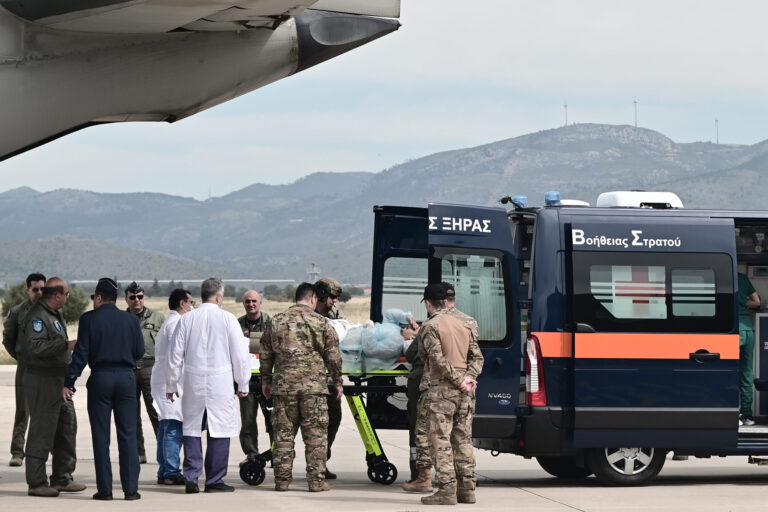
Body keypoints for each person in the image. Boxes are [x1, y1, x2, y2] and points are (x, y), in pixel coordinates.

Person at [166, 278, 250, 494]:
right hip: (220, 382)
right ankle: (214, 480)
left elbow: (174, 356)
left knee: (192, 428)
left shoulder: (187, 320)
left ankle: (192, 477)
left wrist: (171, 384)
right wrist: (243, 382)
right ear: (219, 297)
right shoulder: (228, 319)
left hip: (193, 381)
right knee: (220, 429)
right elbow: (240, 355)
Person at [64, 278, 145, 501]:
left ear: (98, 297)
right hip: (126, 379)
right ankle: (131, 490)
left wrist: (69, 381)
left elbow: (81, 354)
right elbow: (139, 351)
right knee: (128, 435)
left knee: (101, 436)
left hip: (101, 378)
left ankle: (105, 490)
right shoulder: (130, 320)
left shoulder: (89, 319)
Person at [261, 282, 343, 492]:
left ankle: (282, 481)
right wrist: (337, 381)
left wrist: (266, 380)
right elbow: (333, 356)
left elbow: (266, 354)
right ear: (313, 298)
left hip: (284, 388)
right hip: (313, 390)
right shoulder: (321, 322)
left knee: (283, 437)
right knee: (315, 437)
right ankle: (316, 482)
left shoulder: (276, 321)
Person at [418, 283, 483, 505]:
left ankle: (446, 490)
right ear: (446, 301)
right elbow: (477, 357)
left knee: (440, 440)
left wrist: (457, 380)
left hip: (442, 392)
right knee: (463, 440)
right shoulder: (465, 323)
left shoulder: (430, 326)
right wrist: (469, 379)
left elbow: (436, 359)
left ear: (428, 303)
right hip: (466, 393)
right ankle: (467, 490)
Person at [23, 277, 86, 497]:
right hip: (43, 380)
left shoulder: (54, 315)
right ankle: (36, 481)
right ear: (57, 295)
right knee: (42, 430)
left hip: (59, 380)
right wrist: (66, 344)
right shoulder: (37, 317)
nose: (68, 298)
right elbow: (36, 347)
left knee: (66, 428)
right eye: (67, 294)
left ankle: (62, 478)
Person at [150, 288, 194, 485]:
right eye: (190, 303)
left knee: (167, 425)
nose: (192, 306)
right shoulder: (177, 323)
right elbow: (180, 354)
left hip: (165, 377)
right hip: (170, 380)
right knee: (173, 426)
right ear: (182, 303)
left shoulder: (170, 322)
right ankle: (170, 471)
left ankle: (164, 469)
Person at [3, 272, 45, 467]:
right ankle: (18, 452)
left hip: (47, 369)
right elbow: (8, 340)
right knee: (23, 410)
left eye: (42, 289)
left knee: (48, 412)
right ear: (28, 290)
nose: (39, 292)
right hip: (26, 367)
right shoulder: (18, 312)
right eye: (35, 289)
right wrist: (20, 357)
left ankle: (46, 450)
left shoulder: (52, 311)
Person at [124, 281, 165, 464]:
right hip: (128, 369)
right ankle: (138, 452)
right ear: (126, 298)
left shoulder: (157, 318)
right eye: (132, 297)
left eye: (139, 297)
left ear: (144, 297)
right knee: (131, 415)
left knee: (156, 412)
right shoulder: (121, 319)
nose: (136, 301)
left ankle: (164, 451)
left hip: (151, 369)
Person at [237, 290, 273, 464]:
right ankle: (252, 455)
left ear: (260, 302)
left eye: (254, 301)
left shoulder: (271, 323)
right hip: (247, 380)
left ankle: (277, 454)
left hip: (267, 379)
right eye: (247, 301)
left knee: (273, 419)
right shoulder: (237, 325)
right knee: (248, 420)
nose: (251, 304)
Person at [313, 276, 344, 479]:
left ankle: (322, 461)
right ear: (322, 295)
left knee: (334, 419)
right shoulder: (309, 315)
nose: (334, 301)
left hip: (329, 380)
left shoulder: (332, 317)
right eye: (332, 297)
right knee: (315, 424)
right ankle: (315, 467)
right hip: (313, 380)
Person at [738, 271, 760, 426]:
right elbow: (757, 302)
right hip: (748, 329)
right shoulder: (743, 278)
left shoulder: (723, 275)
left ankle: (736, 413)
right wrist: (742, 302)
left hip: (732, 330)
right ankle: (747, 416)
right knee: (747, 373)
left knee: (731, 371)